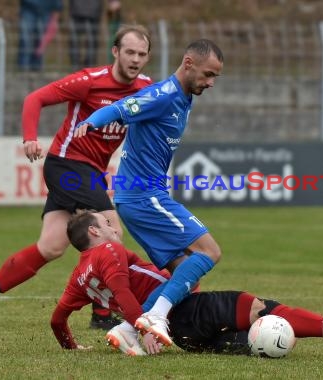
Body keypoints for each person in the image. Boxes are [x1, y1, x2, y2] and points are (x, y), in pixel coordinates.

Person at [0, 24, 153, 329]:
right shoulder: (90, 81)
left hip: (89, 172)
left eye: (142, 54)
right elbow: (34, 99)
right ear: (115, 52)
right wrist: (29, 137)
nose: (135, 59)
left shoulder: (146, 88)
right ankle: (102, 314)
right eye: (129, 52)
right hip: (67, 164)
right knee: (111, 231)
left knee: (51, 246)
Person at [73, 39, 224, 346]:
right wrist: (91, 121)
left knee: (185, 275)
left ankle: (129, 329)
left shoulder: (183, 96)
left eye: (215, 77)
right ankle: (154, 316)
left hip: (139, 198)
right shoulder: (163, 95)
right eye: (208, 74)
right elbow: (120, 107)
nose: (210, 83)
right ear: (188, 63)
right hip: (145, 196)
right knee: (209, 251)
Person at [50, 210, 323, 356]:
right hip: (180, 310)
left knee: (244, 337)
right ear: (94, 232)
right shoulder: (109, 250)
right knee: (256, 307)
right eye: (106, 223)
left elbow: (57, 318)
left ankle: (240, 346)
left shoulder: (78, 276)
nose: (112, 226)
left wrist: (70, 346)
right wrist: (143, 326)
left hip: (180, 330)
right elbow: (122, 291)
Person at [16, 0, 62, 71]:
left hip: (47, 8)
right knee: (25, 39)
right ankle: (23, 68)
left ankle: (36, 68)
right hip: (28, 7)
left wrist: (57, 7)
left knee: (40, 41)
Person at [68, 0, 103, 70]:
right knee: (77, 42)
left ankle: (85, 67)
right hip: (84, 11)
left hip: (90, 11)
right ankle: (80, 67)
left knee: (91, 42)